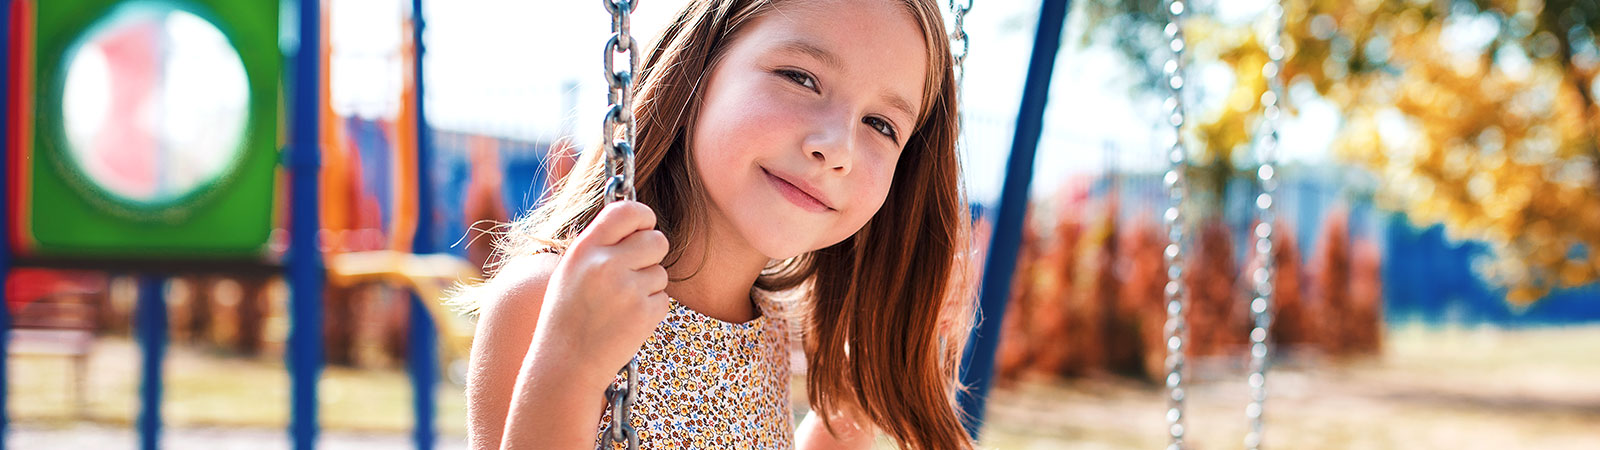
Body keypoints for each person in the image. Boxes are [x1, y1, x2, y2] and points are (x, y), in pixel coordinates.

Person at [457, 0, 973, 447]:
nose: (836, 147)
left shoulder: (764, 328)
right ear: (697, 68)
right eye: (801, 77)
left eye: (880, 124)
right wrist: (571, 365)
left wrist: (854, 401)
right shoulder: (550, 301)